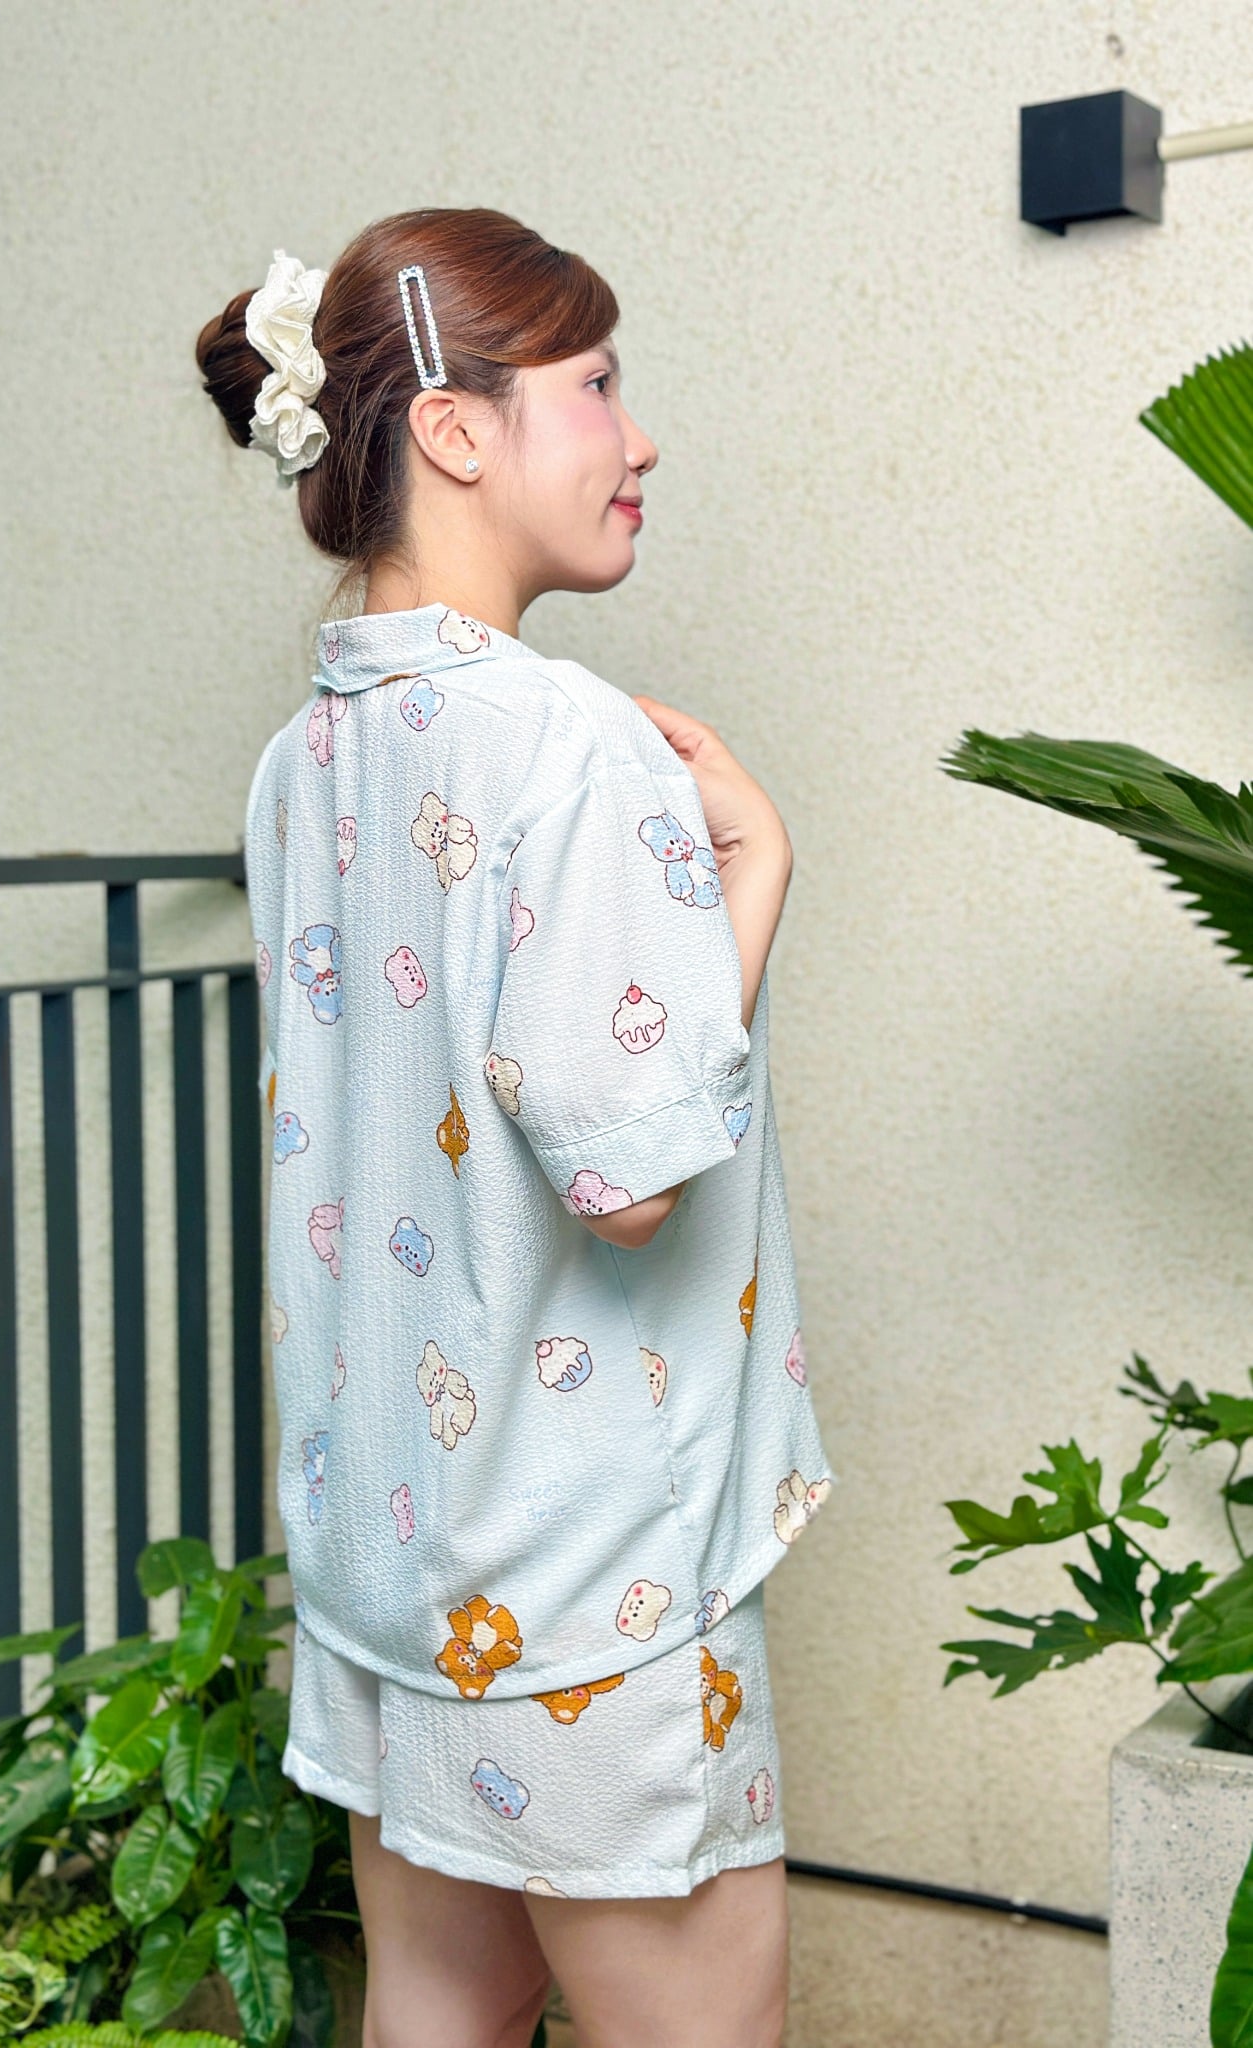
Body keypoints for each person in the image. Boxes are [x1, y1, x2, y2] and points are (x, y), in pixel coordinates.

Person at [197, 206, 837, 2048]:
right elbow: (624, 1178)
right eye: (597, 386)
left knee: (436, 2006)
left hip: (393, 1563)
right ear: (454, 430)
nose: (639, 440)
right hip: (586, 1581)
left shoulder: (303, 755)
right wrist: (757, 871)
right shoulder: (568, 739)